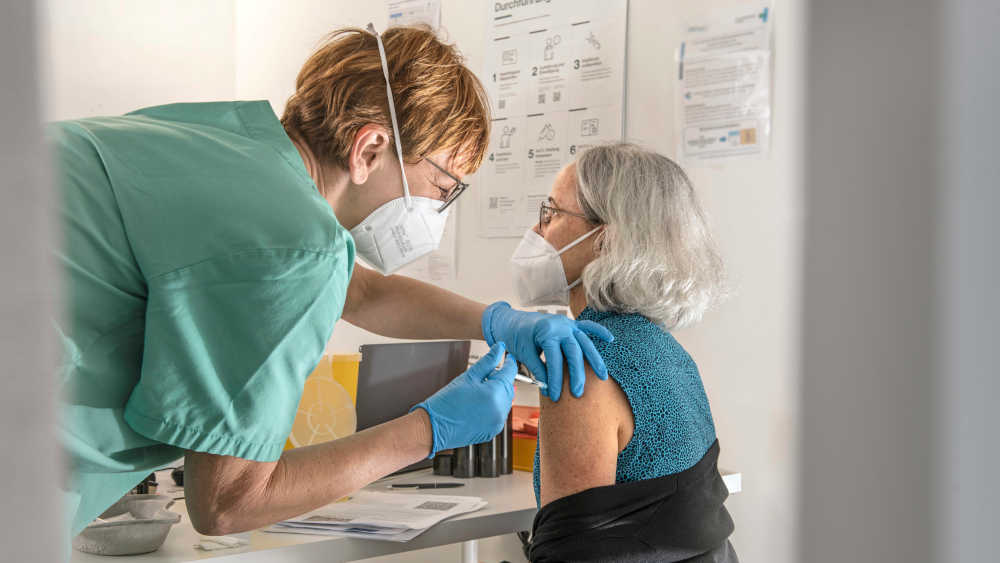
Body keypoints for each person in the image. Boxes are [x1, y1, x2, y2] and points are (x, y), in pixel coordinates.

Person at [52, 24, 613, 543]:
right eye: (444, 186)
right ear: (369, 149)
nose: (440, 209)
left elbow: (359, 290)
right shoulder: (294, 242)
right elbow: (225, 502)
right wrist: (427, 431)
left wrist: (495, 320)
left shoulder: (227, 146)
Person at [516, 144, 738, 562]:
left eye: (553, 212)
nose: (538, 229)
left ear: (604, 239)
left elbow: (573, 557)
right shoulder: (668, 352)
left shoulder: (581, 361)